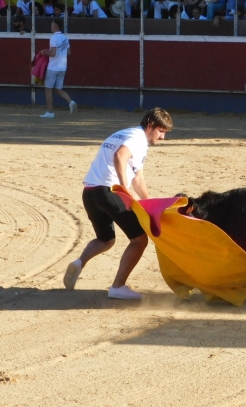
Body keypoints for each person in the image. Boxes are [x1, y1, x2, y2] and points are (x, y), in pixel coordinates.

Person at [63, 108, 173, 300]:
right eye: (161, 131)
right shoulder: (137, 138)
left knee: (105, 240)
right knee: (139, 239)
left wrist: (148, 203)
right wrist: (124, 188)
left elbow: (137, 176)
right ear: (150, 126)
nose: (163, 137)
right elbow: (120, 156)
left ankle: (79, 263)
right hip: (109, 192)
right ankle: (118, 287)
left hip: (90, 193)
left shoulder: (124, 133)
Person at [40, 18, 77, 118]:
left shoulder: (53, 38)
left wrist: (44, 52)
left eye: (52, 25)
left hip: (53, 67)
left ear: (55, 26)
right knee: (59, 89)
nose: (51, 27)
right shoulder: (65, 38)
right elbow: (68, 52)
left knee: (48, 90)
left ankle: (50, 112)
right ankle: (71, 102)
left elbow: (52, 53)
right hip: (62, 67)